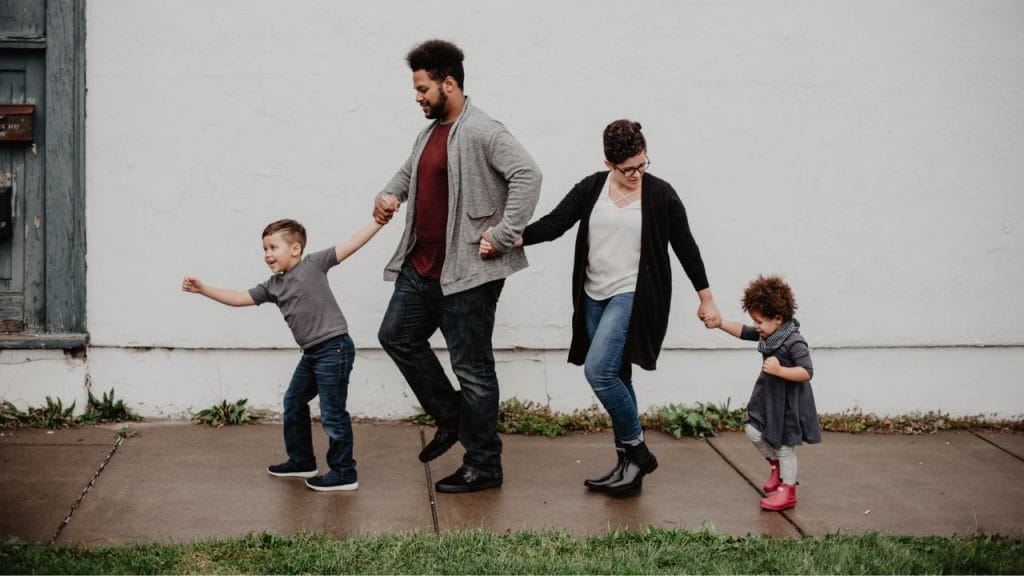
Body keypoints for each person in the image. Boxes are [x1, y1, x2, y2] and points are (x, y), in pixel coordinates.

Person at [485, 119, 721, 495]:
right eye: (628, 169)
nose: (637, 174)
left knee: (599, 372)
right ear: (609, 163)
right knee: (619, 376)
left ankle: (638, 450)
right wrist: (509, 239)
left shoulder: (660, 194)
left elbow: (686, 246)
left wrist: (705, 297)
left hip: (634, 294)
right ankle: (627, 468)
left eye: (642, 165)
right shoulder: (593, 188)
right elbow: (556, 223)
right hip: (593, 295)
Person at [373, 39, 542, 494]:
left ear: (449, 83)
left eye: (423, 88)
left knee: (473, 369)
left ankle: (484, 464)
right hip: (421, 267)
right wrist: (389, 195)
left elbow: (529, 175)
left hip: (467, 273)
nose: (418, 97)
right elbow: (409, 173)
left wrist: (504, 234)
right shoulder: (429, 132)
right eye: (416, 89)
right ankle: (452, 419)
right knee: (396, 336)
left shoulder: (483, 130)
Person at [182, 218, 383, 492]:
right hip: (312, 353)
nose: (267, 255)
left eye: (273, 247)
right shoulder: (273, 286)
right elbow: (239, 297)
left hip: (334, 349)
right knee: (294, 401)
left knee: (332, 413)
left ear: (296, 249)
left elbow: (351, 244)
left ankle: (344, 472)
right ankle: (301, 461)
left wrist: (378, 222)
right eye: (264, 249)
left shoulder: (314, 264)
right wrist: (203, 289)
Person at [708, 274, 821, 511]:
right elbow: (743, 331)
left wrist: (780, 370)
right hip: (768, 397)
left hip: (788, 402)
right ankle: (775, 466)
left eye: (759, 321)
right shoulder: (767, 334)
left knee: (783, 446)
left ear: (778, 319)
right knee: (752, 430)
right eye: (755, 321)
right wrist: (720, 323)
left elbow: (807, 371)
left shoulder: (794, 341)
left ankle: (788, 490)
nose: (756, 326)